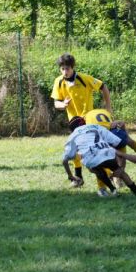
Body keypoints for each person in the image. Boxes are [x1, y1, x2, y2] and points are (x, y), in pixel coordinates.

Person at [51, 53, 112, 187]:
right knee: (75, 149)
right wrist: (63, 105)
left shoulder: (84, 79)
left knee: (97, 148)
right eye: (62, 69)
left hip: (89, 120)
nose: (65, 71)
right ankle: (78, 177)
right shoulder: (59, 82)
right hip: (75, 122)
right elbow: (56, 103)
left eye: (67, 68)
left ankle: (109, 175)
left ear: (73, 67)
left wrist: (108, 107)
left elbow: (103, 87)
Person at [62, 116, 136, 197]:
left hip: (91, 158)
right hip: (106, 153)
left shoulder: (73, 136)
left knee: (94, 168)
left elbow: (65, 159)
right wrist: (120, 164)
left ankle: (113, 190)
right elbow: (116, 141)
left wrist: (70, 175)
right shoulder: (96, 126)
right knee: (121, 172)